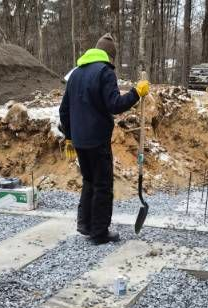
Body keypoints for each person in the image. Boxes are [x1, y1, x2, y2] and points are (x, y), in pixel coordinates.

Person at [59, 34, 150, 244]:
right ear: (111, 57)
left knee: (89, 180)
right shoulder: (105, 72)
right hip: (97, 139)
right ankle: (99, 232)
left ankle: (85, 223)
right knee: (102, 184)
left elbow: (64, 110)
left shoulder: (75, 74)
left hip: (80, 141)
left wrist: (69, 137)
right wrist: (136, 92)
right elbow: (114, 104)